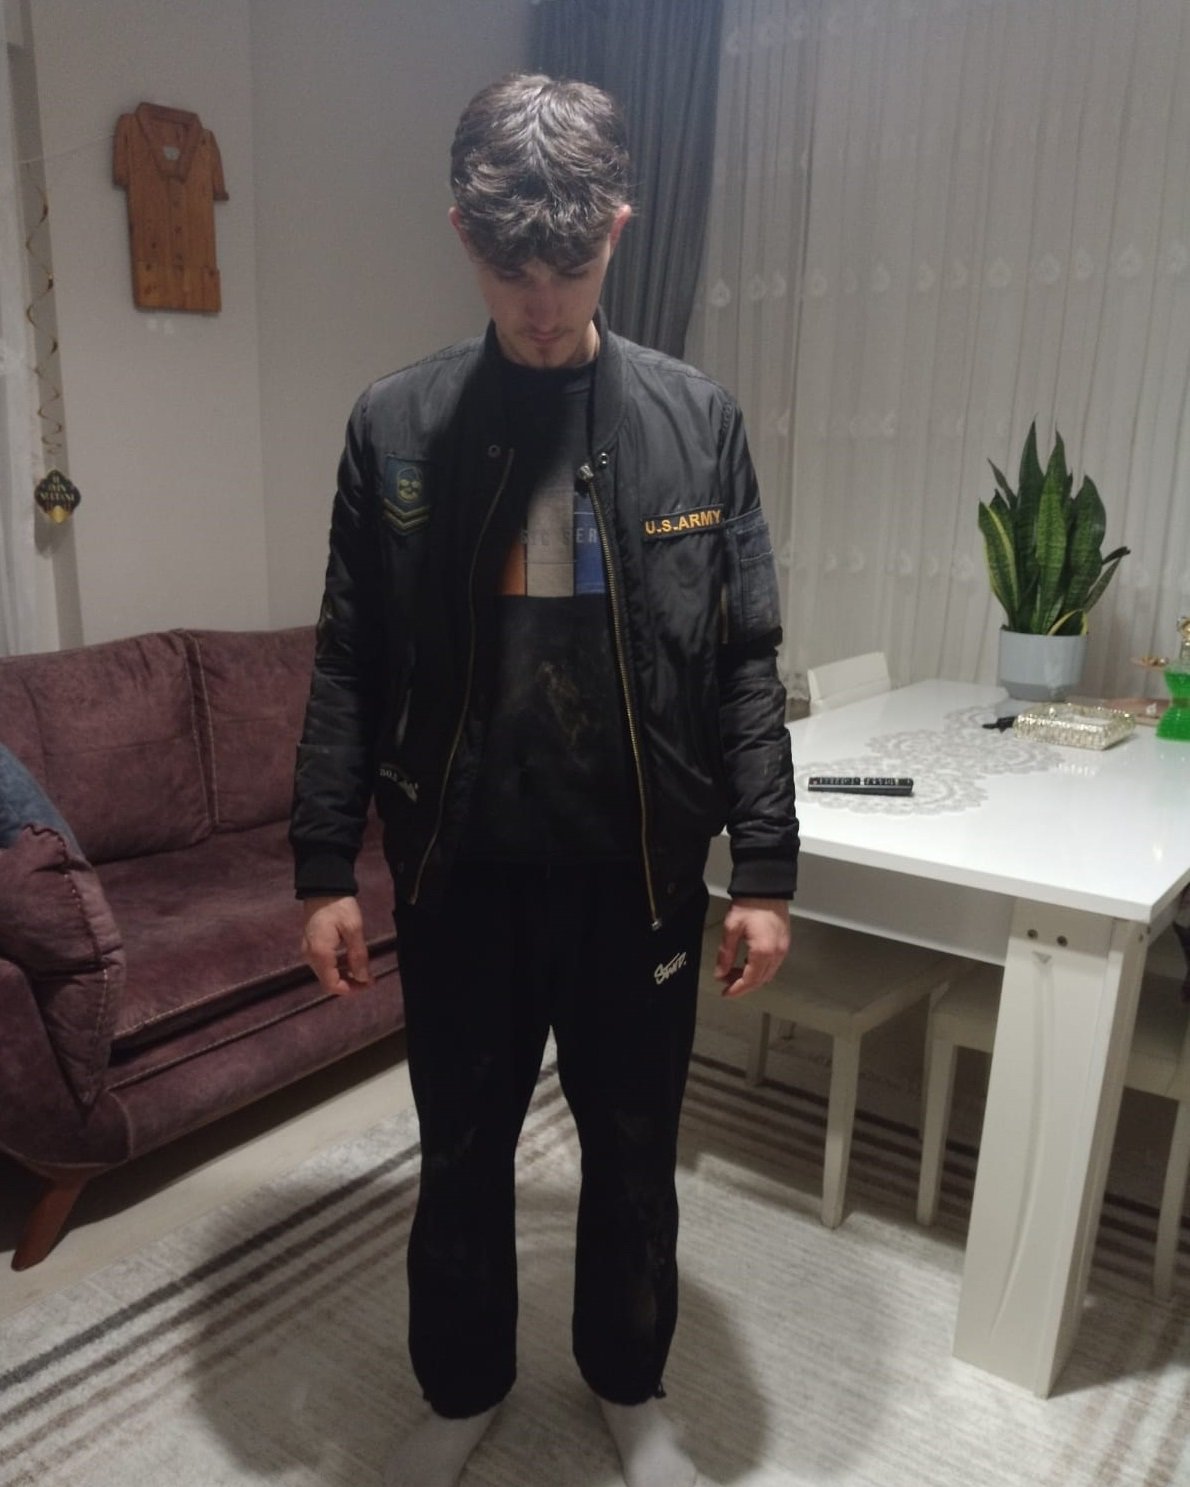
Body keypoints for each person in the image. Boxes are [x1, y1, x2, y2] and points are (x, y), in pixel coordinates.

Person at [291, 73, 798, 1487]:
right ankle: (460, 1394)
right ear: (463, 236)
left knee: (635, 1157)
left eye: (567, 272)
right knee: (460, 1153)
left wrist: (765, 869)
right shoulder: (394, 426)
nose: (539, 305)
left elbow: (745, 657)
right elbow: (348, 660)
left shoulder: (697, 420)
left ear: (617, 232)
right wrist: (323, 866)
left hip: (636, 876)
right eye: (511, 272)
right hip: (460, 875)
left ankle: (629, 1384)